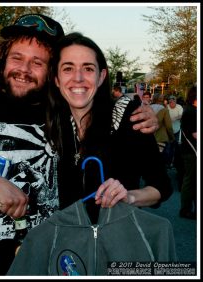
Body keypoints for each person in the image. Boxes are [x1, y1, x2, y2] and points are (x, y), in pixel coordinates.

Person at [0, 14, 158, 275]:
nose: (24, 70)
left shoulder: (69, 115)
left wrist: (143, 115)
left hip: (49, 264)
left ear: (51, 71)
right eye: (17, 57)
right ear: (3, 59)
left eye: (37, 62)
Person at [46, 32, 172, 223]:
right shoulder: (46, 121)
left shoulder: (129, 118)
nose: (78, 78)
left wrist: (129, 197)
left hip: (114, 242)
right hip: (63, 243)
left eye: (88, 68)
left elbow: (161, 186)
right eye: (68, 68)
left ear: (101, 76)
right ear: (56, 78)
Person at [179, 85, 197, 219]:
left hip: (191, 150)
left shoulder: (190, 110)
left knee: (192, 180)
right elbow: (195, 134)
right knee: (190, 180)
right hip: (192, 151)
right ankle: (185, 209)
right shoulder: (191, 111)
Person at [150, 93, 175, 164]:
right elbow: (169, 126)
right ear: (163, 100)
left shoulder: (148, 108)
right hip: (160, 139)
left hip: (149, 138)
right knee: (160, 160)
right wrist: (172, 137)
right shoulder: (164, 110)